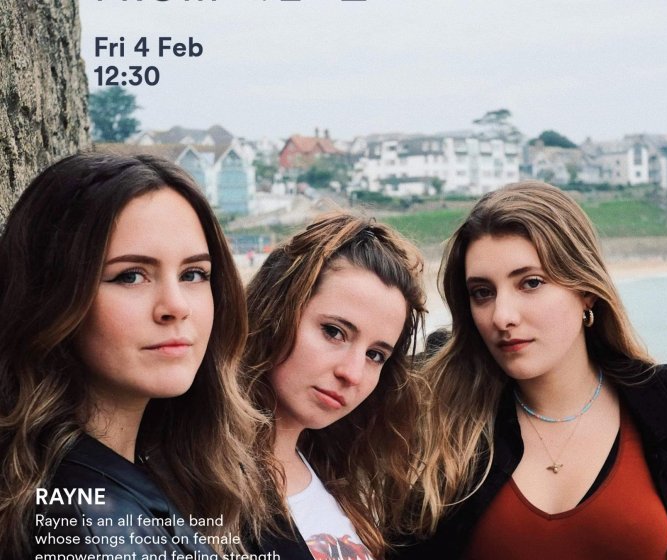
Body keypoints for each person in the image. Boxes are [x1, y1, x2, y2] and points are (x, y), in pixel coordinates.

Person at [394, 181, 667, 560]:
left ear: (585, 289)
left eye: (530, 283)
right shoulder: (435, 422)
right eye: (483, 292)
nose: (502, 316)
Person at [0, 153, 269, 558]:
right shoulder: (89, 524)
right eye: (130, 275)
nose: (175, 306)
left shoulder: (154, 466)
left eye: (193, 274)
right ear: (52, 296)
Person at [242, 213, 427, 559]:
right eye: (334, 332)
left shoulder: (337, 477)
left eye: (375, 354)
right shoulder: (207, 485)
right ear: (276, 310)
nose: (352, 374)